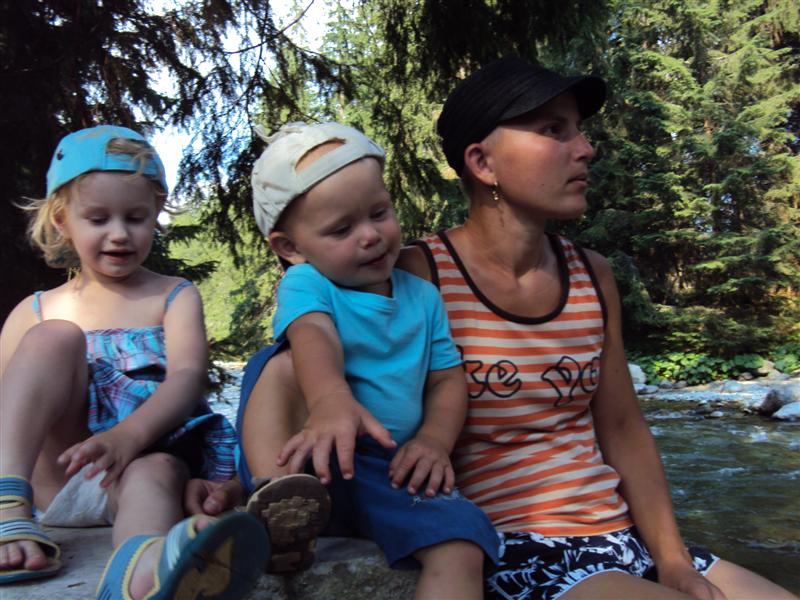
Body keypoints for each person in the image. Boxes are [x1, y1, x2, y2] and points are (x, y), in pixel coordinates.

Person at [203, 58, 797, 599]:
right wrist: (243, 480)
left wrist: (672, 560)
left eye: (579, 129)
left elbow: (622, 427)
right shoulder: (413, 272)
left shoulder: (592, 274)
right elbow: (296, 357)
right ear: (482, 162)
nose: (586, 148)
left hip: (624, 537)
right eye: (554, 130)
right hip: (522, 551)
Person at [0, 125, 268, 599]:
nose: (120, 233)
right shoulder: (36, 310)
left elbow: (187, 376)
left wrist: (128, 437)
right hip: (57, 477)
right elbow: (11, 412)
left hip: (134, 476)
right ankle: (7, 506)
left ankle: (140, 571)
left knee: (156, 469)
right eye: (98, 218)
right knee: (54, 338)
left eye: (136, 217)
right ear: (62, 220)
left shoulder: (173, 295)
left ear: (156, 215)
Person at [238, 121, 499, 598]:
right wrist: (329, 401)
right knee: (279, 363)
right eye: (342, 229)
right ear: (291, 248)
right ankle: (273, 499)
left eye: (379, 213)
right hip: (305, 458)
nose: (371, 236)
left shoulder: (422, 297)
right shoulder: (308, 284)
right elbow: (313, 334)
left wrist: (434, 441)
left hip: (384, 470)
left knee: (463, 540)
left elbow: (446, 380)